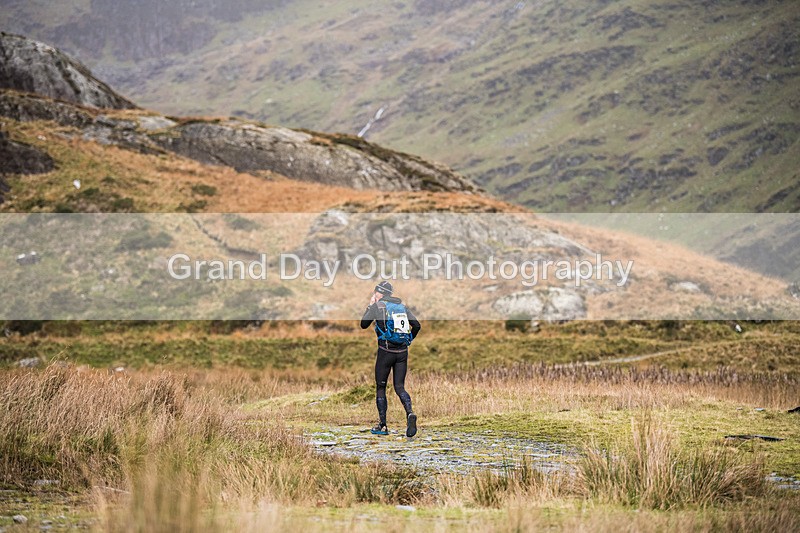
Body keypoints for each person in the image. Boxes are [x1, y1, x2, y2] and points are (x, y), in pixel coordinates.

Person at [360, 281, 421, 437]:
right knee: (399, 387)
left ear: (380, 293)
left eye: (375, 292)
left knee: (381, 387)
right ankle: (410, 413)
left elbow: (363, 324)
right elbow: (417, 325)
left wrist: (370, 306)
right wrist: (409, 341)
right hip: (402, 352)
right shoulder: (402, 307)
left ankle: (383, 425)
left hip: (385, 351)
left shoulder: (378, 306)